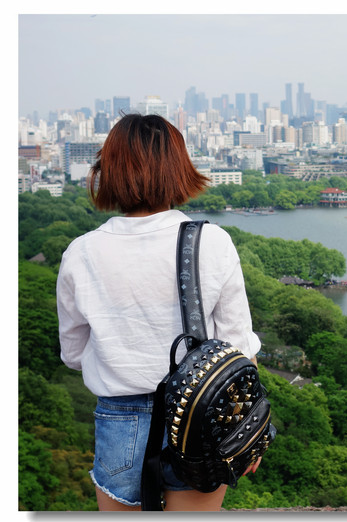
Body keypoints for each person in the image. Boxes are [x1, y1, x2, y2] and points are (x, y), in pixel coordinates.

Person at [56, 113, 262, 511]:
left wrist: (123, 359)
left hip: (120, 420)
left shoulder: (81, 253)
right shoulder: (211, 242)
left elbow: (73, 353)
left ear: (107, 172)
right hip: (203, 416)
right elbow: (238, 347)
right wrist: (245, 427)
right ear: (179, 168)